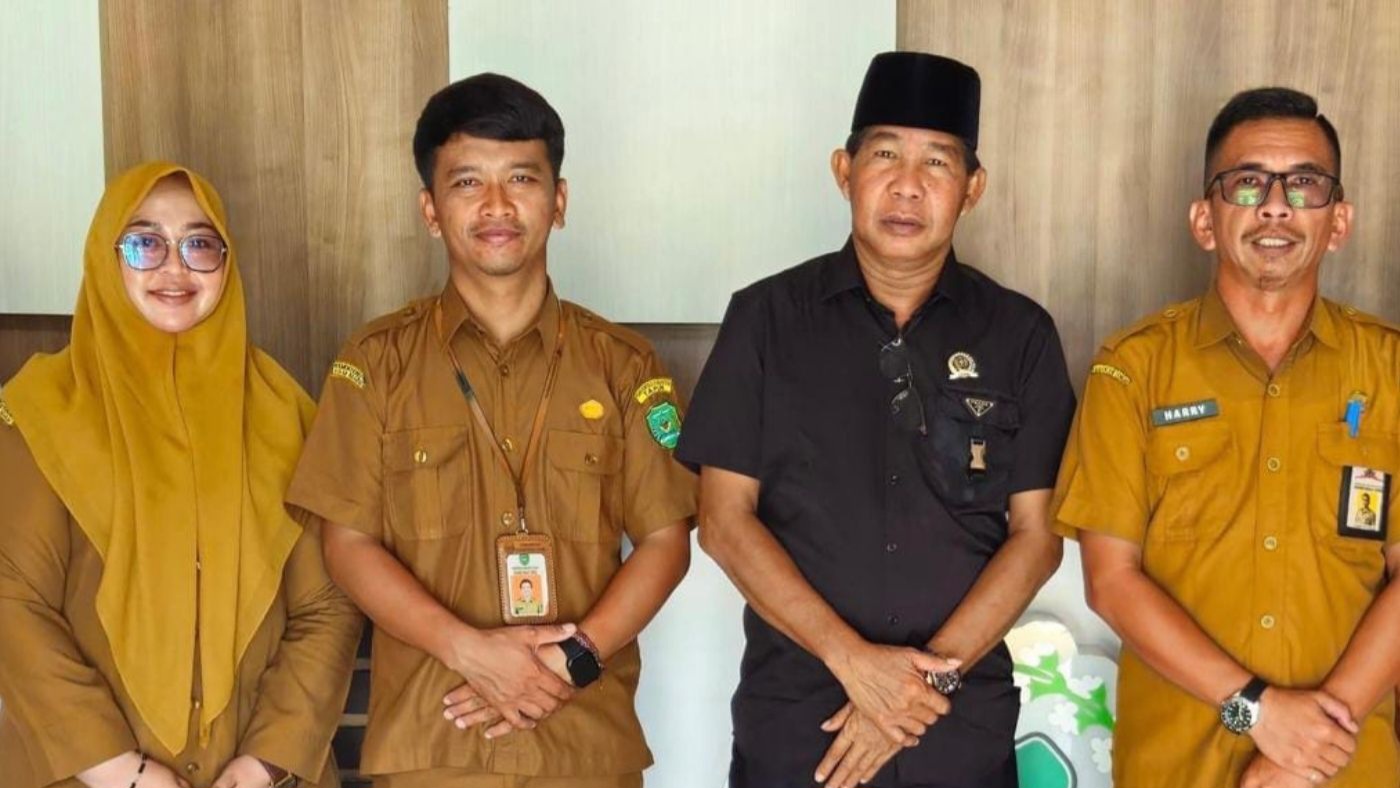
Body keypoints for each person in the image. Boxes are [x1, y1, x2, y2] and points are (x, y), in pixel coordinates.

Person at [676, 52, 1076, 788]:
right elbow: (724, 520)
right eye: (886, 154)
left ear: (973, 188)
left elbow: (1038, 537)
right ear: (844, 170)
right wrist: (852, 661)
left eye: (938, 162)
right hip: (801, 725)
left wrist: (921, 689)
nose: (908, 184)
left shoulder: (1019, 335)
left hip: (957, 729)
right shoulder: (765, 319)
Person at [285, 73, 696, 788]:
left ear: (559, 202)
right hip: (433, 742)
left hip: (583, 743)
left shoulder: (622, 364)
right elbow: (346, 543)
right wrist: (469, 651)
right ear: (431, 209)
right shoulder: (376, 363)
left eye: (522, 179)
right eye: (468, 182)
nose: (497, 205)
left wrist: (572, 661)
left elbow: (666, 540)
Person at [1052, 87, 1400, 788]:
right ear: (1204, 220)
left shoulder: (1389, 370)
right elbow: (1111, 582)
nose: (1275, 206)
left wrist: (1310, 746)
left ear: (1338, 221)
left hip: (1346, 768)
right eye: (1247, 182)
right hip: (1175, 767)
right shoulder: (1132, 368)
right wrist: (1257, 711)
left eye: (1304, 184)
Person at [0, 162, 363, 788]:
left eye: (199, 243)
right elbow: (13, 601)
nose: (174, 268)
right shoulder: (38, 414)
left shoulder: (283, 416)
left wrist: (265, 761)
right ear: (106, 257)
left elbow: (327, 603)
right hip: (79, 774)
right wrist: (120, 771)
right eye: (144, 243)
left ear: (227, 263)